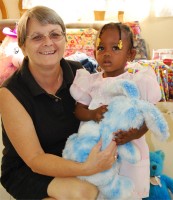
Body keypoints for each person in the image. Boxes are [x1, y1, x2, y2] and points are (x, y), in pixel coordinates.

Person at [0, 6, 119, 200]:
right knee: (85, 193)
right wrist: (87, 168)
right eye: (37, 37)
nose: (48, 43)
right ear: (22, 45)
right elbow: (35, 159)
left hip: (74, 157)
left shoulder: (79, 72)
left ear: (65, 40)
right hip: (29, 169)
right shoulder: (10, 92)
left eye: (55, 34)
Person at [70, 22, 162, 199]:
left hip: (128, 152)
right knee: (98, 192)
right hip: (98, 151)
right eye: (101, 47)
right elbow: (78, 111)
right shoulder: (91, 81)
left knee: (127, 193)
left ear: (130, 54)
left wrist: (133, 135)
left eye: (115, 48)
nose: (107, 53)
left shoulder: (136, 82)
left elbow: (148, 117)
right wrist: (92, 114)